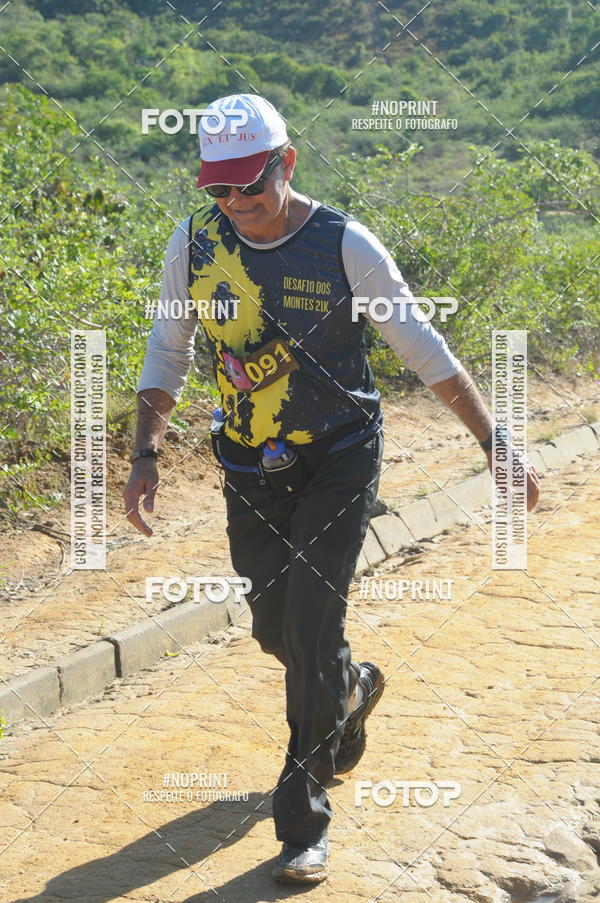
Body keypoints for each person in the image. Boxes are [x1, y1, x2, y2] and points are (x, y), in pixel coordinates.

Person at [123, 93, 539, 884]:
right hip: (249, 463)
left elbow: (424, 348)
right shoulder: (196, 239)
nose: (237, 203)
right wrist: (145, 451)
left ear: (286, 164)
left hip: (340, 457)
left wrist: (497, 442)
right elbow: (167, 349)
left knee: (310, 633)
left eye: (251, 184)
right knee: (277, 632)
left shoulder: (344, 243)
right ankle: (348, 689)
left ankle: (303, 819)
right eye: (219, 188)